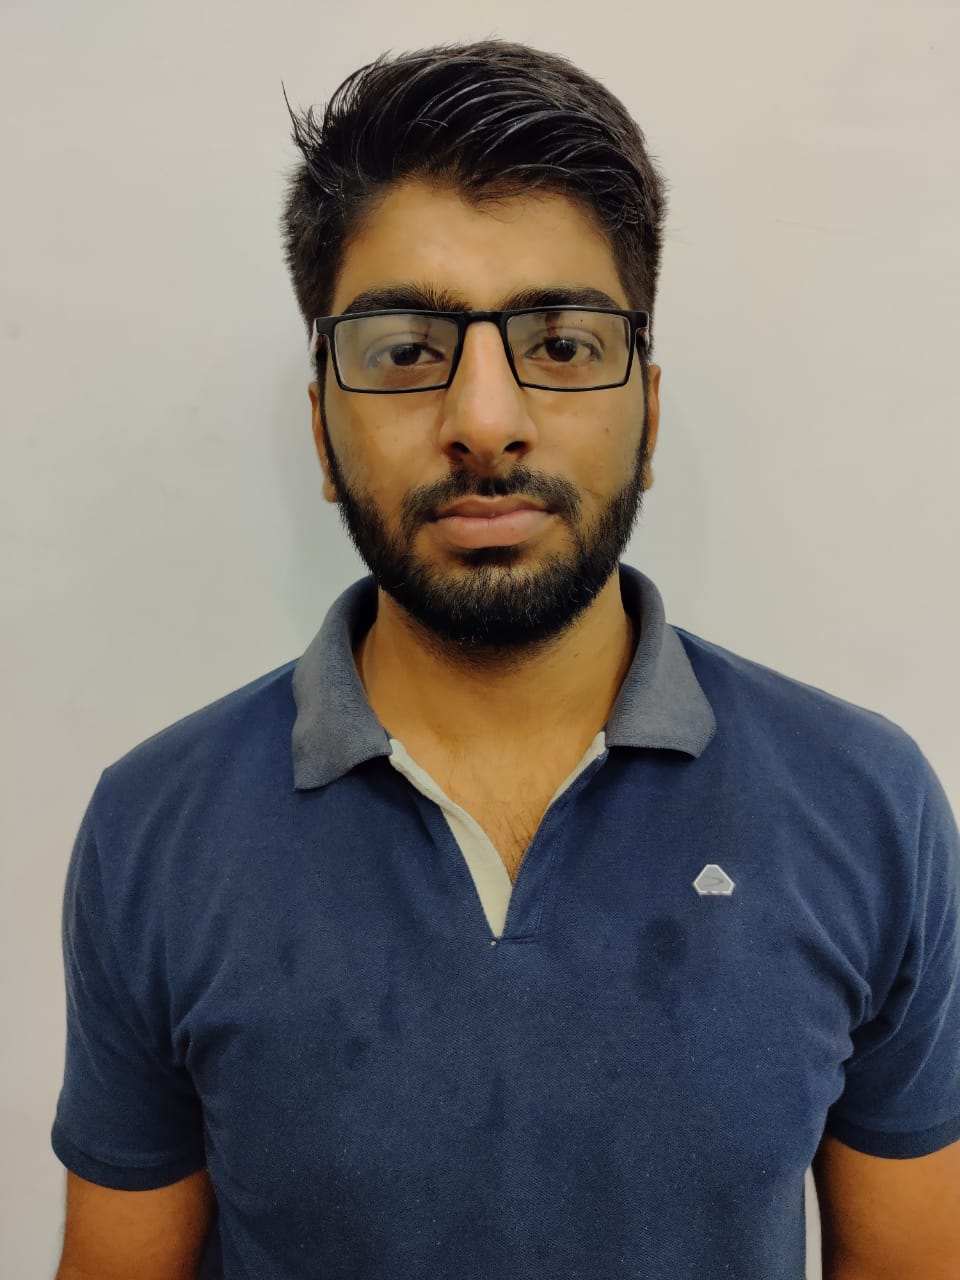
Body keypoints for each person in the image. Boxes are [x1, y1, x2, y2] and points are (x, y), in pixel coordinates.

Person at [51, 39, 960, 1280]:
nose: (485, 421)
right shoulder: (156, 826)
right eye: (406, 349)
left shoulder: (865, 804)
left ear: (647, 411)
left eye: (564, 342)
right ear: (322, 428)